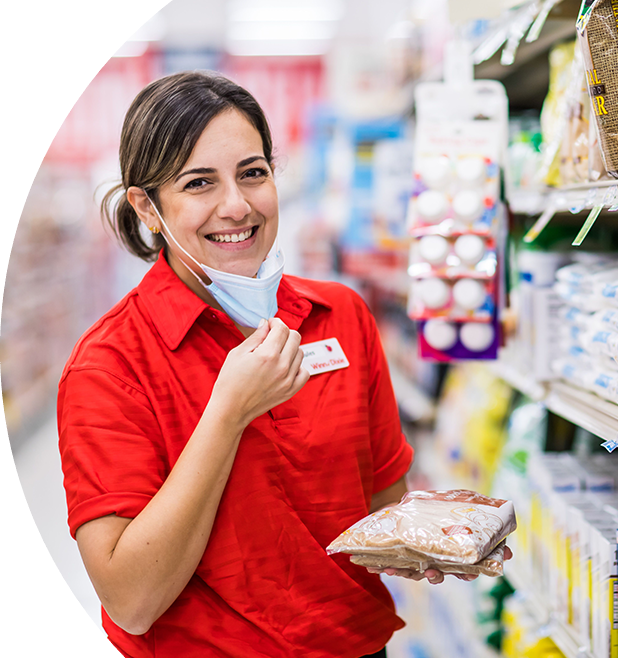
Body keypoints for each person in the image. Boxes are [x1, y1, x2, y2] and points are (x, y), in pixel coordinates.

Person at [58, 71, 478, 658]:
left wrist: (435, 540)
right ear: (147, 208)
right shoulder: (109, 367)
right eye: (199, 183)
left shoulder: (342, 317)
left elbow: (384, 503)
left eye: (252, 173)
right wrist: (228, 413)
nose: (236, 206)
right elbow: (133, 600)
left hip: (351, 646)